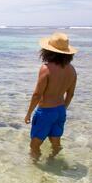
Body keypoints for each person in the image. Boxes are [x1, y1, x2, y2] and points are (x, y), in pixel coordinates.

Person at [25, 32, 78, 161]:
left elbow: (37, 94)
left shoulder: (46, 68)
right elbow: (70, 94)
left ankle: (35, 166)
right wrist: (62, 109)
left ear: (48, 51)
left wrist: (29, 113)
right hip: (60, 110)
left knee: (35, 144)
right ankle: (52, 160)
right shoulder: (72, 70)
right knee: (56, 142)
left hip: (45, 112)